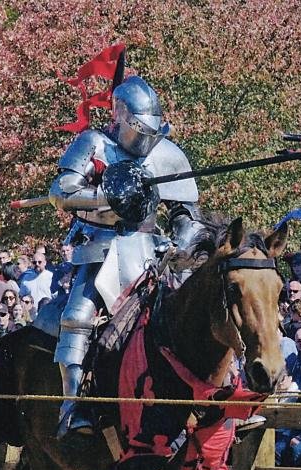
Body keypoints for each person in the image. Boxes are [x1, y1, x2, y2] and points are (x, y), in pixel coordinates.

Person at [48, 74, 208, 437]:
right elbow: (62, 191)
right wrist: (107, 199)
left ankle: (224, 392)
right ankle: (73, 406)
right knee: (78, 316)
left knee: (199, 311)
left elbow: (186, 213)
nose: (146, 141)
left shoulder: (167, 154)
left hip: (154, 252)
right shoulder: (94, 143)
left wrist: (182, 243)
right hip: (103, 247)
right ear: (119, 115)